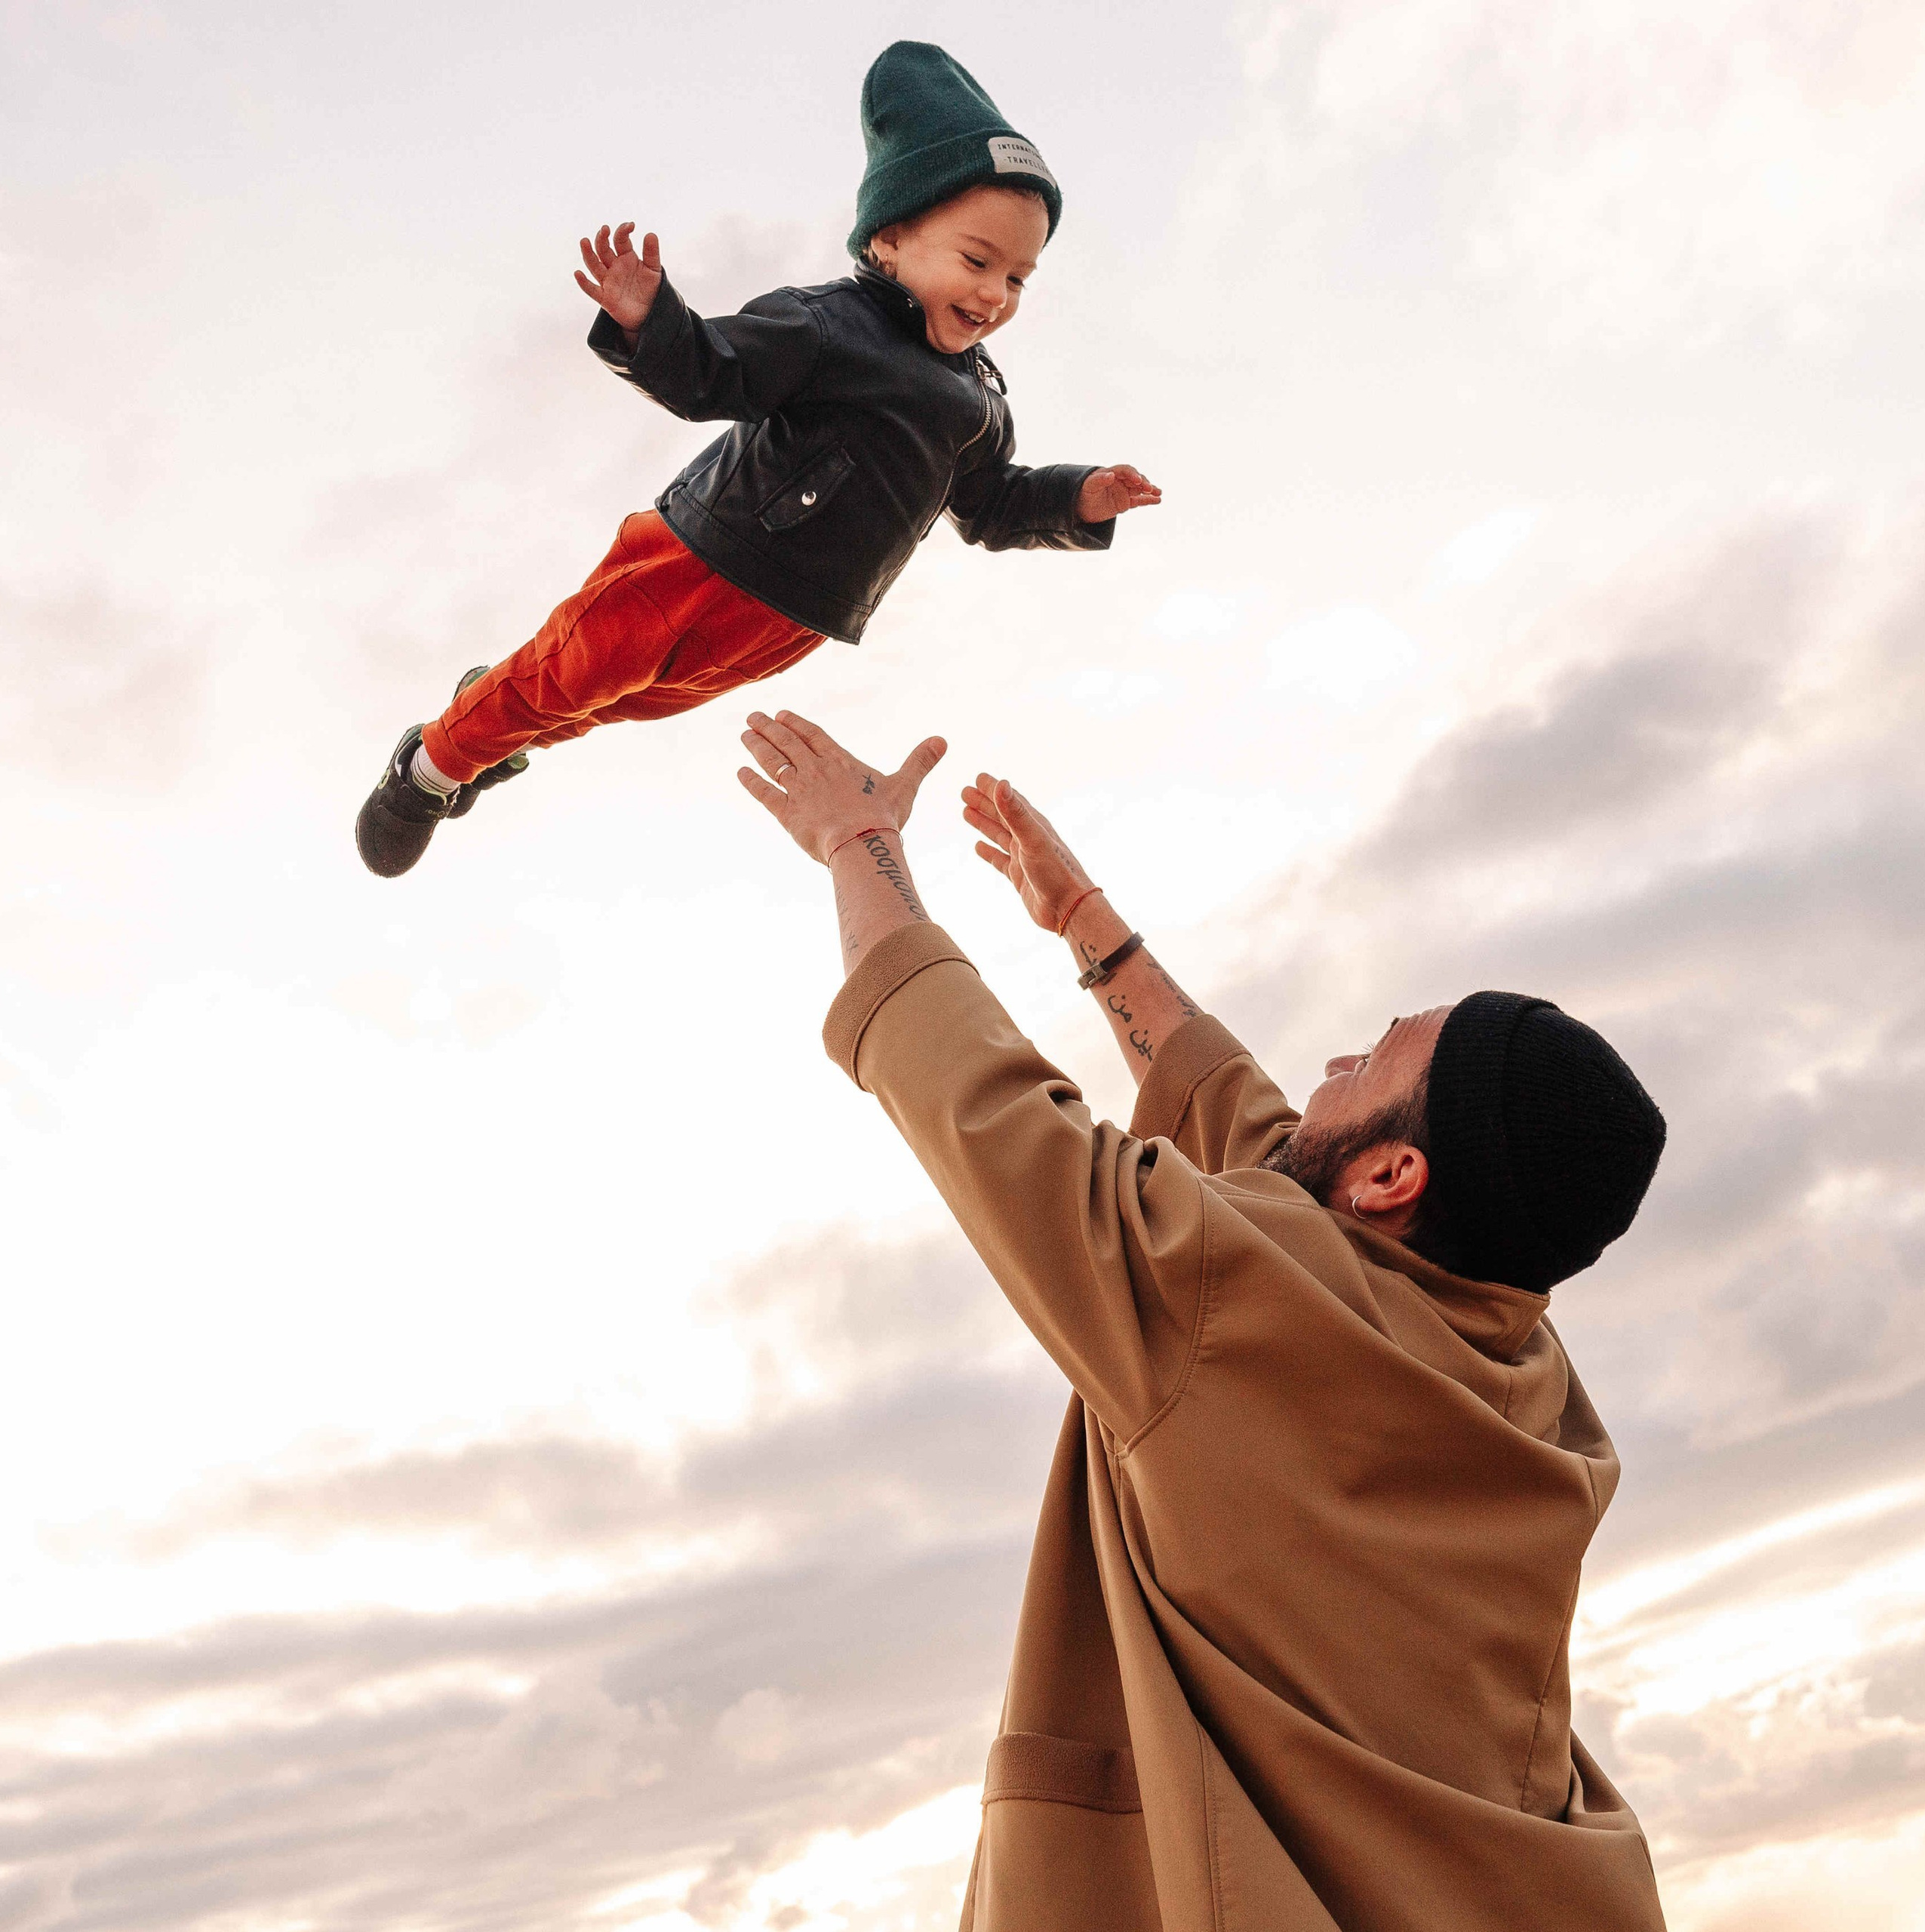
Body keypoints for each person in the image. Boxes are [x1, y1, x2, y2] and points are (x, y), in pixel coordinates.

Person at [736, 707, 1672, 1932]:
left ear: (1396, 1180)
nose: (1330, 1065)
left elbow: (980, 1102)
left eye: (1368, 1064)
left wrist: (859, 842)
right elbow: (1270, 1144)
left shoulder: (1225, 1305)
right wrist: (1087, 925)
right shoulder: (1524, 1379)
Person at [353, 40, 1160, 877]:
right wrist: (649, 320)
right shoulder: (829, 325)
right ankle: (430, 767)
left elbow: (988, 506)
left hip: (797, 615)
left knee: (616, 700)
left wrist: (1078, 500)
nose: (997, 294)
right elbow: (715, 373)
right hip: (703, 556)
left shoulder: (980, 404)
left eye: (1020, 279)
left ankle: (487, 719)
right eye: (977, 260)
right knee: (580, 672)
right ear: (890, 239)